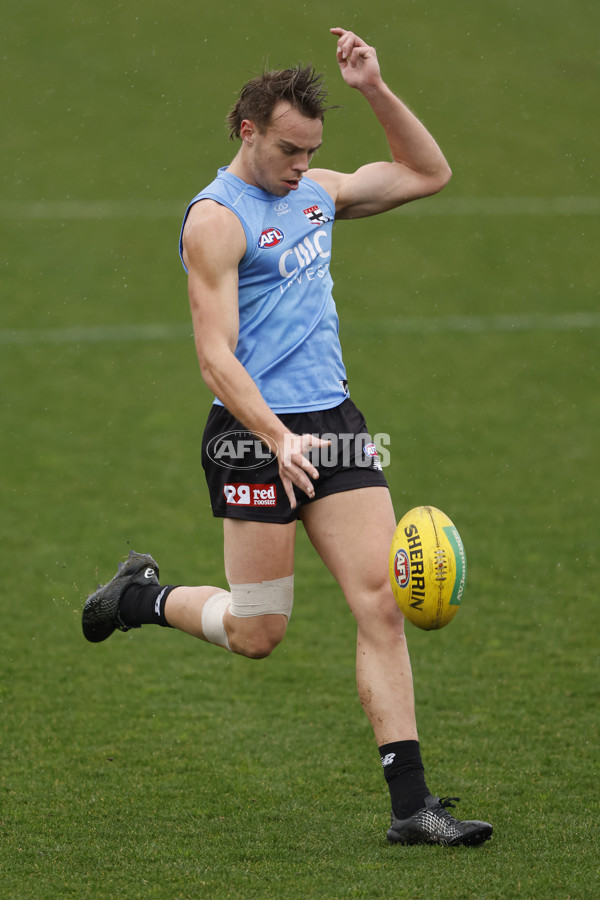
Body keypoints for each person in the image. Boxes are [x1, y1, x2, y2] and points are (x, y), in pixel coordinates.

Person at [83, 27, 492, 847]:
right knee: (258, 633)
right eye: (290, 149)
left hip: (334, 425)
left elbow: (427, 173)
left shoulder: (315, 192)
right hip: (249, 435)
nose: (304, 166)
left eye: (314, 150)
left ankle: (411, 808)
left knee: (381, 603)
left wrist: (375, 87)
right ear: (248, 131)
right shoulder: (216, 222)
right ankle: (141, 597)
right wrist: (273, 435)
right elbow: (214, 357)